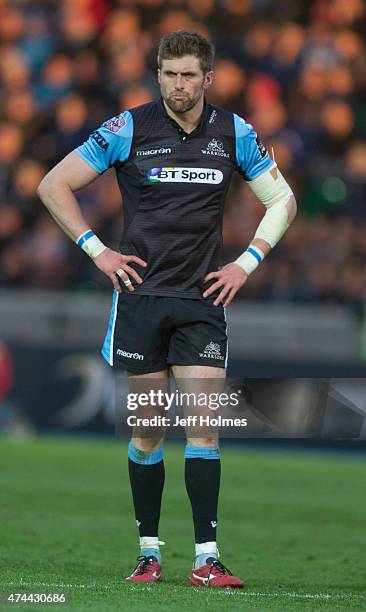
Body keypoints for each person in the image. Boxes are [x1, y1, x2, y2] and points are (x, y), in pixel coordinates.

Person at [37, 30, 296, 589]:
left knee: (205, 428)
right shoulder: (128, 128)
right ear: (158, 74)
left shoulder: (234, 133)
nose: (178, 85)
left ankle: (207, 558)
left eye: (188, 75)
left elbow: (283, 200)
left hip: (202, 302)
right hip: (141, 299)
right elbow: (54, 185)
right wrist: (97, 251)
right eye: (168, 73)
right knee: (150, 430)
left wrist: (246, 263)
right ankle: (148, 553)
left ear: (208, 78)